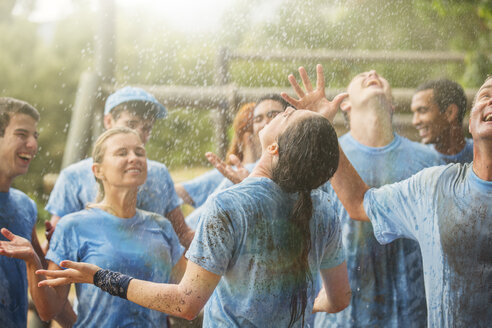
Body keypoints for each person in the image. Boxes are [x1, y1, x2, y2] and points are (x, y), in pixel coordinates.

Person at [37, 106, 352, 327]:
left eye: (289, 117)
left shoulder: (229, 204)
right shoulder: (324, 210)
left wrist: (100, 276)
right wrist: (294, 303)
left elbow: (185, 304)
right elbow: (338, 299)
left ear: (274, 150)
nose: (286, 110)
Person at [289, 70, 492, 327]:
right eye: (484, 95)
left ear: (392, 105)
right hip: (344, 320)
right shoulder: (433, 184)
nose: (372, 73)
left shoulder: (430, 163)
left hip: (410, 317)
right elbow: (357, 204)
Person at [1, 127, 186, 327]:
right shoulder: (73, 226)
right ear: (98, 170)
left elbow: (187, 296)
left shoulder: (162, 228)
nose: (134, 158)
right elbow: (49, 310)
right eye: (122, 153)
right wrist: (32, 261)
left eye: (139, 153)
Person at [45, 86, 193, 247]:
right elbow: (56, 243)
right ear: (108, 121)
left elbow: (182, 234)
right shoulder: (74, 176)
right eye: (130, 124)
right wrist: (53, 240)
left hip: (154, 264)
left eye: (146, 128)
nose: (137, 134)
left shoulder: (159, 174)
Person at [175, 102, 257, 207]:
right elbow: (179, 191)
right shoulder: (224, 174)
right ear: (248, 137)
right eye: (259, 120)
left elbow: (179, 192)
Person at [411, 79, 473, 163]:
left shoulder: (485, 151)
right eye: (414, 113)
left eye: (422, 110)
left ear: (450, 113)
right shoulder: (416, 162)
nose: (415, 121)